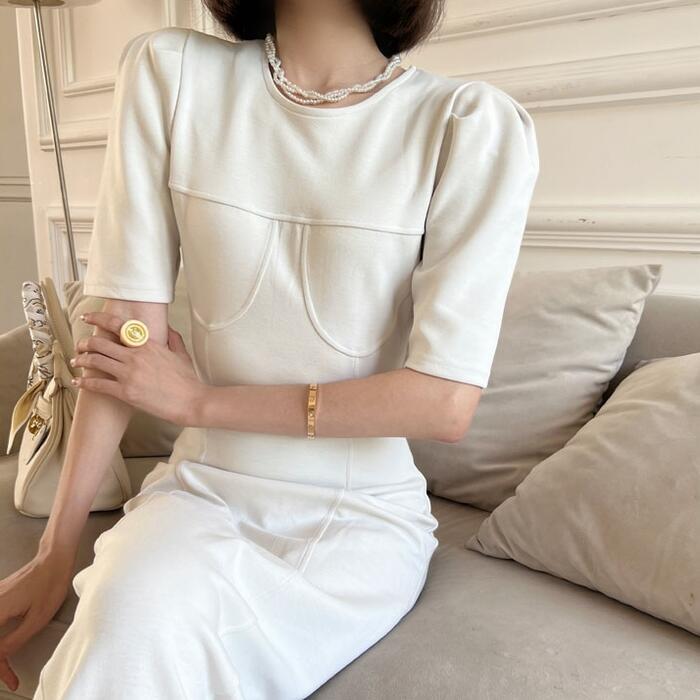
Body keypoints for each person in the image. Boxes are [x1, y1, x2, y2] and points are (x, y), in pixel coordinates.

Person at [0, 1, 540, 697]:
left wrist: (199, 402)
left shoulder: (469, 125)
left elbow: (442, 404)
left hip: (359, 521)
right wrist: (54, 552)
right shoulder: (171, 72)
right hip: (201, 495)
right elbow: (121, 342)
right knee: (129, 630)